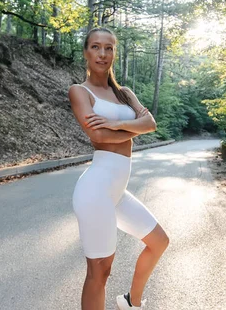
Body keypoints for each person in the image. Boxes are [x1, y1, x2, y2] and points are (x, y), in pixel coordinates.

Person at [68, 27, 169, 310]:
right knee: (99, 271)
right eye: (96, 47)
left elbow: (151, 124)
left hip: (117, 192)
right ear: (86, 52)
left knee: (159, 241)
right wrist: (131, 128)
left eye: (109, 48)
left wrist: (115, 123)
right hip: (95, 190)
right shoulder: (80, 92)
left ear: (115, 52)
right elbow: (98, 137)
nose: (103, 54)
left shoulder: (124, 93)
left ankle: (131, 302)